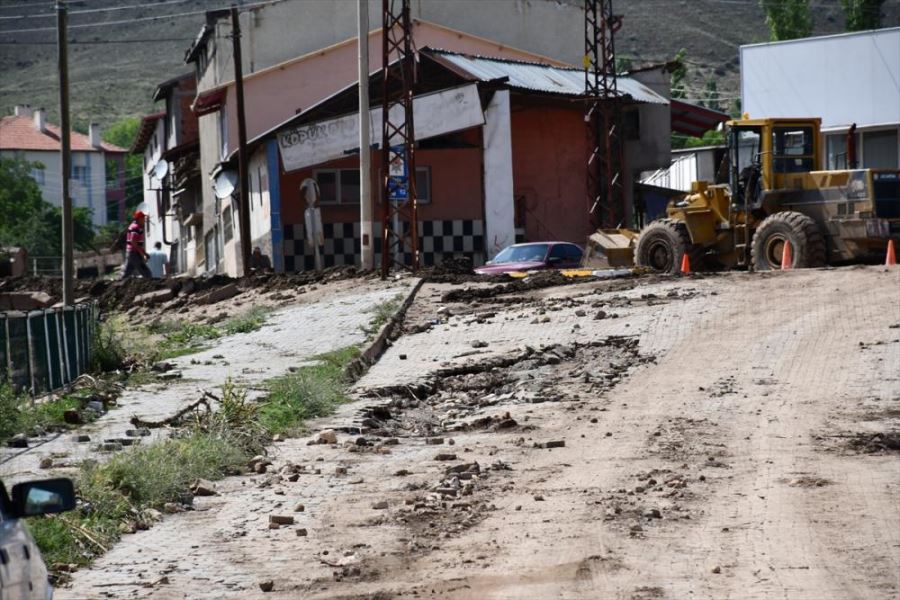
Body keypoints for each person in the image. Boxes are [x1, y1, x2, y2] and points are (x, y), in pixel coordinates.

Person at [121, 210, 152, 279]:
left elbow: (137, 243)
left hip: (131, 253)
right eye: (143, 218)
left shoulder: (134, 226)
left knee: (126, 274)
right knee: (147, 274)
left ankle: (118, 286)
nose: (144, 220)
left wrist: (144, 253)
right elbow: (133, 242)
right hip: (134, 254)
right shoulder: (136, 227)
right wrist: (142, 254)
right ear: (139, 219)